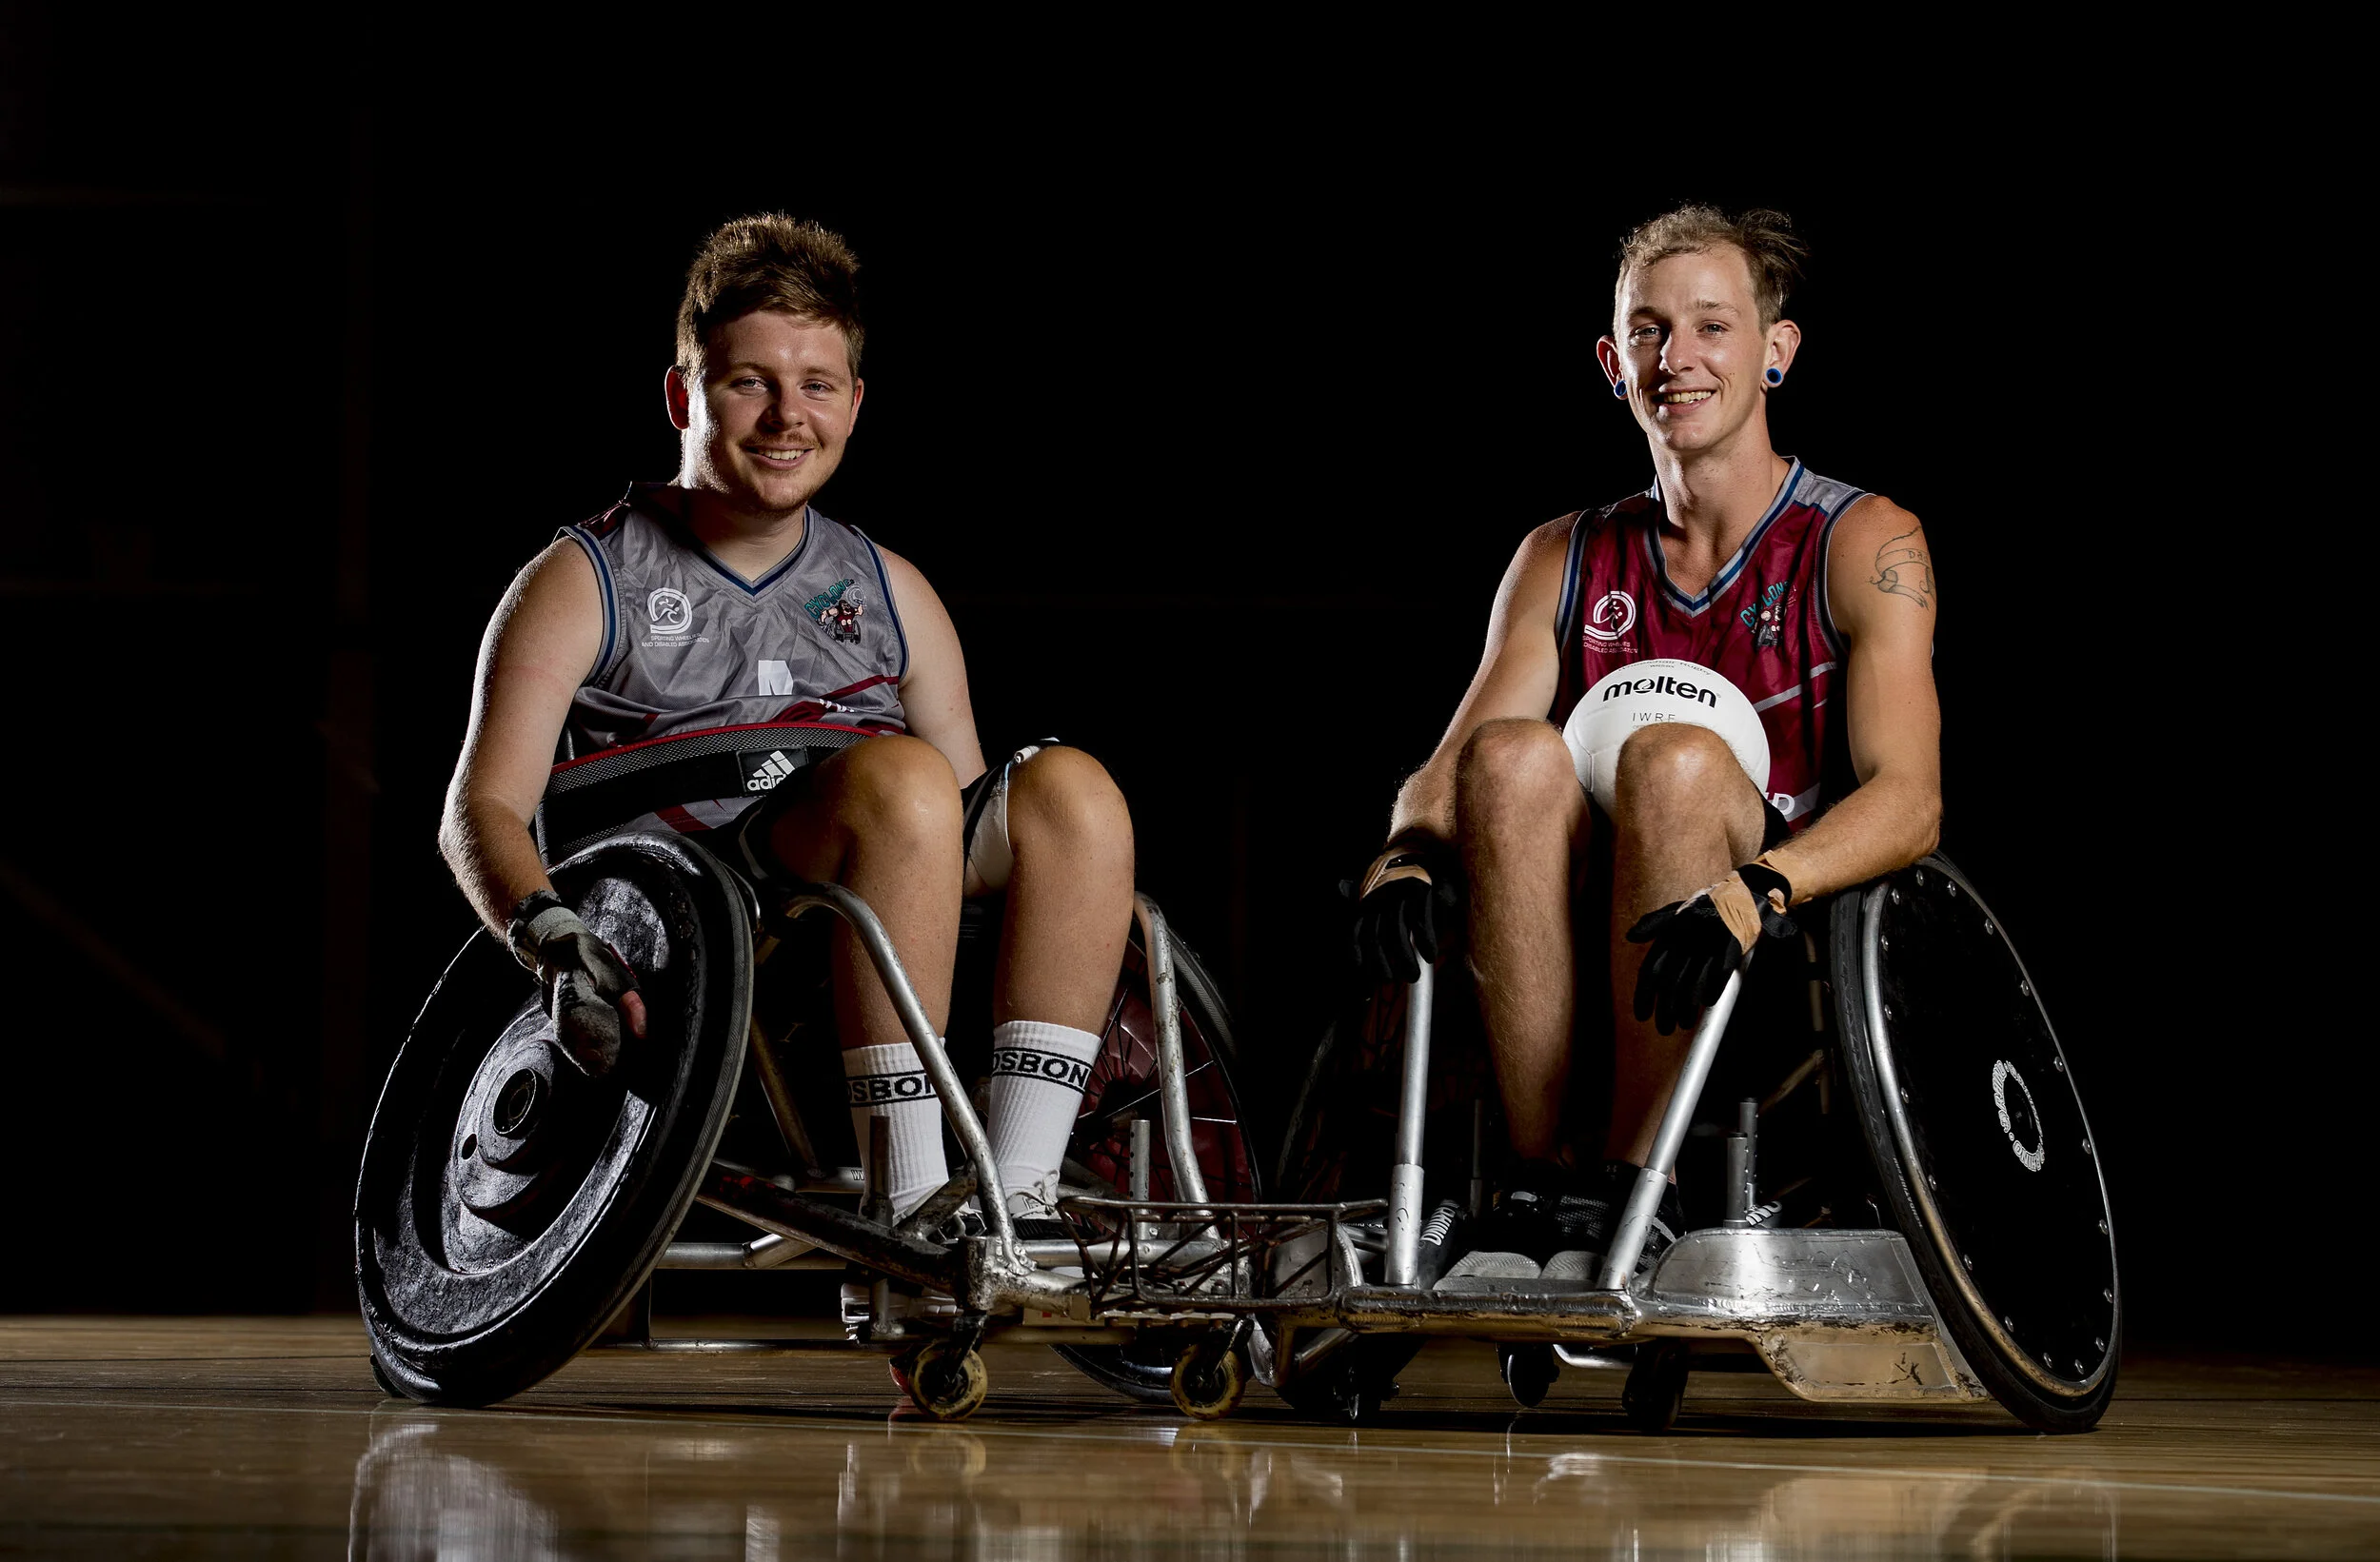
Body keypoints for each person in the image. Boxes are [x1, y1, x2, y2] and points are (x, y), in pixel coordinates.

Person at [437, 214, 1133, 1227]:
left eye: (815, 384)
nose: (784, 416)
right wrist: (546, 933)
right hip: (705, 895)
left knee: (1073, 792)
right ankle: (911, 1203)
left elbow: (979, 814)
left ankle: (1016, 1194)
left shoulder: (891, 587)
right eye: (748, 381)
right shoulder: (580, 578)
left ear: (855, 403)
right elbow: (480, 807)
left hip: (875, 868)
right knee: (903, 781)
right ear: (684, 394)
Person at [1350, 205, 1942, 1279]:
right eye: (1650, 331)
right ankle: (1538, 1192)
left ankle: (1636, 1185)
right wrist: (1400, 853)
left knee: (1670, 757)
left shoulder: (1865, 538)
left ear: (1776, 351)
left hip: (1751, 942)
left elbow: (1910, 800)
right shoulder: (1560, 553)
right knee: (1509, 758)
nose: (1680, 358)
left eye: (1713, 327)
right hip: (1561, 942)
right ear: (1611, 363)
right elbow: (1455, 760)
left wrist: (1762, 886)